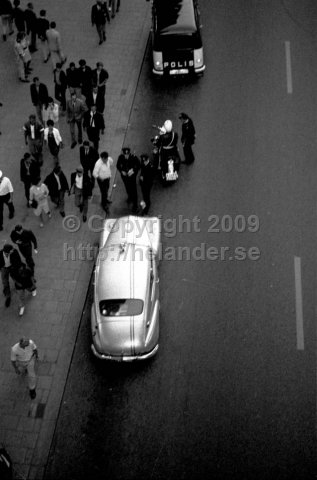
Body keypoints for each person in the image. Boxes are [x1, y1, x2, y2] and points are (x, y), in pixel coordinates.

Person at [116, 147, 140, 212]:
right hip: (125, 177)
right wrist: (121, 171)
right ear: (123, 154)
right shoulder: (121, 157)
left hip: (132, 177)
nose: (126, 156)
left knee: (134, 190)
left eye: (128, 154)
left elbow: (138, 165)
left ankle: (135, 205)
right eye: (125, 154)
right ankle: (130, 197)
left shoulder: (133, 157)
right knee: (127, 187)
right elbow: (118, 165)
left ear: (129, 153)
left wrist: (133, 170)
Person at [0, 244, 22, 308]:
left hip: (12, 268)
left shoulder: (14, 252)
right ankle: (8, 296)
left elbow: (18, 260)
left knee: (16, 279)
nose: (13, 250)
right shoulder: (0, 254)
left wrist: (17, 267)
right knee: (5, 283)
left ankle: (23, 288)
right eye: (11, 250)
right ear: (6, 252)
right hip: (4, 268)